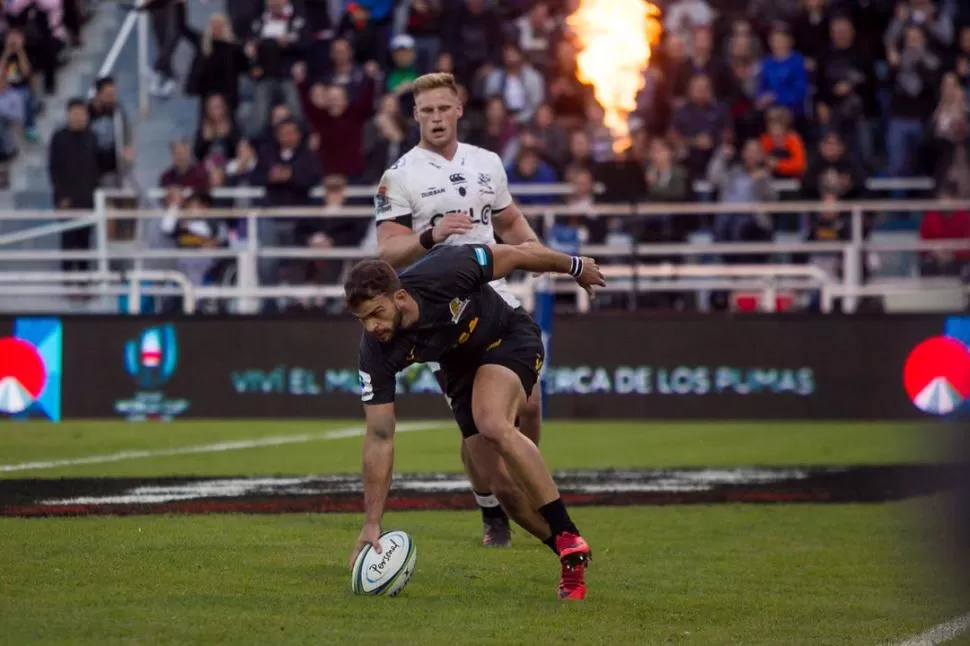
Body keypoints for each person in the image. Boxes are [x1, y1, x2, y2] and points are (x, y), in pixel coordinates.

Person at [345, 242, 605, 600]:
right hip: (461, 370)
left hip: (508, 337)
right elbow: (379, 435)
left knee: (491, 421)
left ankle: (567, 531)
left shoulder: (447, 269)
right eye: (363, 320)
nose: (372, 326)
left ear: (400, 297)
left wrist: (575, 266)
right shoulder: (375, 351)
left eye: (376, 313)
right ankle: (569, 556)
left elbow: (516, 254)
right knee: (505, 492)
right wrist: (371, 523)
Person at [372, 72, 546, 549]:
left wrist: (533, 250)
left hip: (494, 293)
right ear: (415, 116)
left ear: (458, 109)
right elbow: (386, 252)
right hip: (439, 309)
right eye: (426, 111)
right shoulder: (400, 175)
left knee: (529, 402)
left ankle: (528, 470)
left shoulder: (487, 162)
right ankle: (492, 508)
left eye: (443, 108)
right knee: (477, 429)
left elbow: (508, 218)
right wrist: (430, 235)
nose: (436, 118)